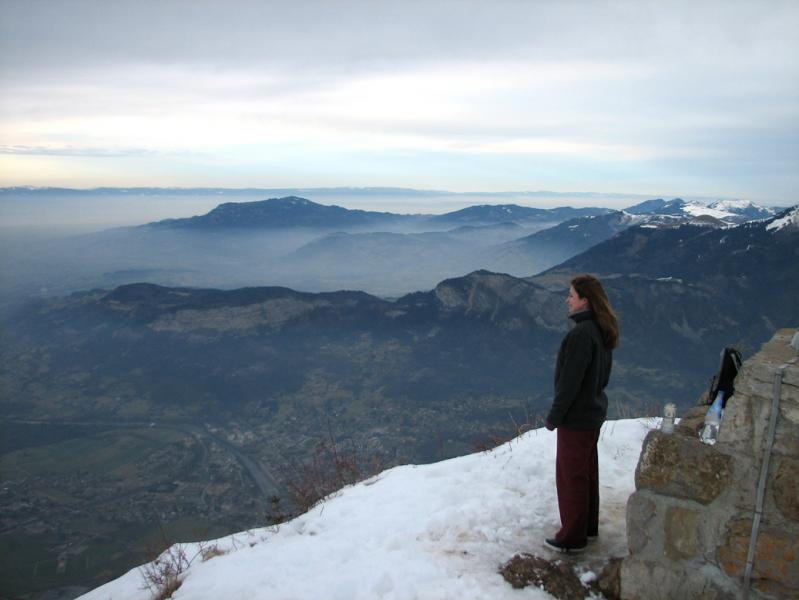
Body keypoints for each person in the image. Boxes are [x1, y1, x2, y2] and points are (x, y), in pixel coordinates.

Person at [544, 274, 619, 553]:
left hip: (576, 419)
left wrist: (555, 416)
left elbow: (569, 383)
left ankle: (572, 537)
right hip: (592, 413)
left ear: (584, 301)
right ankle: (586, 527)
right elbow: (602, 377)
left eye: (571, 295)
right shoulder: (602, 329)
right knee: (585, 473)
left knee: (571, 476)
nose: (567, 299)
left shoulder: (580, 335)